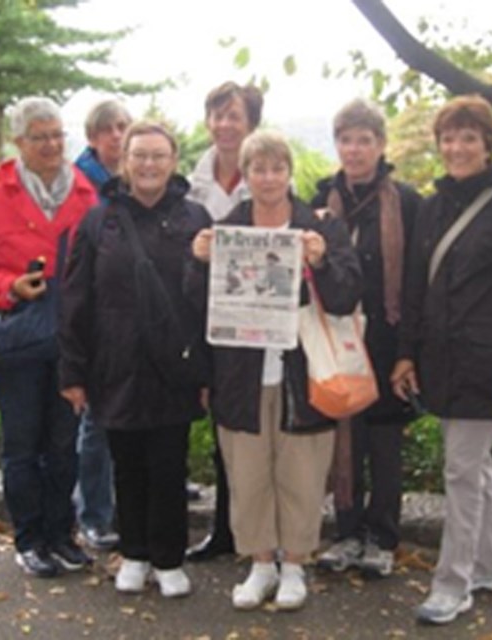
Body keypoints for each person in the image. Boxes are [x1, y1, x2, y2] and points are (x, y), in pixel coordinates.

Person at [391, 96, 492, 626]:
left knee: (461, 468)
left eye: (468, 138)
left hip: (489, 361)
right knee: (474, 465)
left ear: (488, 144)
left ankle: (453, 583)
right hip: (441, 359)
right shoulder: (434, 206)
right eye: (448, 138)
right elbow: (416, 284)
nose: (456, 148)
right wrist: (406, 354)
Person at [189, 131, 363, 611]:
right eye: (258, 169)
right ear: (245, 176)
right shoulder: (227, 228)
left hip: (303, 376)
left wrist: (323, 262)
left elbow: (348, 295)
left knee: (301, 475)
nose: (268, 178)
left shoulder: (321, 228)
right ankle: (260, 564)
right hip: (241, 376)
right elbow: (196, 305)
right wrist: (199, 262)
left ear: (289, 173)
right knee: (247, 475)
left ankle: (295, 566)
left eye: (276, 168)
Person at [59, 123, 211, 599]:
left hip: (175, 363)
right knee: (125, 463)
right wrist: (74, 372)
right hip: (116, 361)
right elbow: (76, 298)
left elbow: (211, 303)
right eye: (140, 156)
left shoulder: (195, 218)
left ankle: (169, 559)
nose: (149, 165)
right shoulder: (97, 220)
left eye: (159, 156)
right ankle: (135, 552)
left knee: (169, 463)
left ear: (173, 161)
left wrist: (209, 371)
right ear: (124, 160)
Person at [0, 97, 97, 578]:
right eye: (40, 136)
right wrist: (8, 287)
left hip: (69, 336)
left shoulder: (85, 193)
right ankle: (30, 538)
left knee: (64, 443)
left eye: (57, 135)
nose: (51, 145)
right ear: (19, 143)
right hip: (19, 336)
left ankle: (61, 534)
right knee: (23, 445)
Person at [311, 99, 422, 579]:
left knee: (384, 444)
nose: (354, 150)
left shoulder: (407, 202)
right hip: (336, 338)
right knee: (343, 438)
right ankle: (347, 531)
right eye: (346, 140)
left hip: (387, 338)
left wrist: (408, 353)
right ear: (336, 145)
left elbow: (417, 283)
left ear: (381, 145)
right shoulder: (318, 203)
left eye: (364, 140)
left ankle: (383, 536)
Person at [186, 82, 265, 562]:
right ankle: (225, 530)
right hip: (207, 321)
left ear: (251, 122)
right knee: (222, 432)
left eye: (234, 116)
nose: (225, 125)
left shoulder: (271, 173)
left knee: (261, 432)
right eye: (217, 116)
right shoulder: (192, 183)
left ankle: (261, 532)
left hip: (260, 322)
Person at [72, 99, 133, 551]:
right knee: (95, 423)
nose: (118, 135)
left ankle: (112, 505)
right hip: (96, 324)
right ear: (93, 137)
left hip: (131, 324)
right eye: (109, 129)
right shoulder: (84, 187)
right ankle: (93, 513)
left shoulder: (125, 184)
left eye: (123, 127)